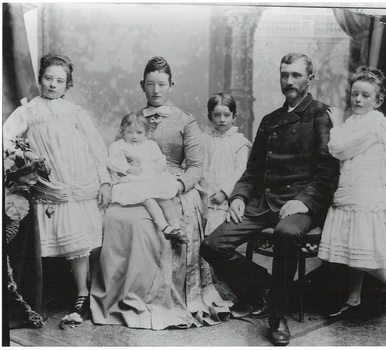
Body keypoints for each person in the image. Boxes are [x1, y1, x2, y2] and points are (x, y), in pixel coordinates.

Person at [200, 52, 339, 346]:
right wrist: (238, 197)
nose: (289, 81)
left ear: (309, 79)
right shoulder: (270, 120)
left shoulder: (320, 115)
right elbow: (252, 171)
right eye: (284, 75)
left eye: (296, 75)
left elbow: (327, 172)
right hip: (264, 201)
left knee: (286, 233)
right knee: (212, 245)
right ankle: (267, 286)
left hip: (301, 204)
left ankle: (278, 316)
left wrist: (303, 201)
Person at [90, 56, 230, 330]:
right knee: (114, 218)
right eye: (150, 84)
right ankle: (116, 297)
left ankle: (147, 296)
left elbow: (197, 166)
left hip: (173, 184)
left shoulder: (185, 121)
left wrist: (179, 186)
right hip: (135, 185)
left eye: (162, 84)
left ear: (171, 86)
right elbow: (117, 155)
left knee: (145, 227)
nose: (156, 90)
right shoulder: (133, 120)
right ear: (143, 86)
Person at [3, 54, 111, 322]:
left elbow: (96, 146)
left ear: (67, 85)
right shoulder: (28, 111)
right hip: (48, 186)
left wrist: (105, 180)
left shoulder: (75, 112)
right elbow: (6, 138)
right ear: (40, 79)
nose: (52, 85)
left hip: (77, 184)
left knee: (79, 243)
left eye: (59, 81)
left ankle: (83, 295)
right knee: (48, 245)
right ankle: (48, 295)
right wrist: (22, 157)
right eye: (48, 78)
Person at [317, 66, 386, 318]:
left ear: (378, 101)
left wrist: (335, 125)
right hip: (349, 191)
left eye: (365, 96)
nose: (357, 99)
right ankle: (354, 298)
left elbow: (338, 149)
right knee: (354, 249)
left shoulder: (374, 125)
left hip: (364, 196)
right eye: (354, 94)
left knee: (362, 254)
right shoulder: (354, 121)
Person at [108, 112, 187, 244]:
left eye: (138, 132)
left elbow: (160, 159)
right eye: (130, 132)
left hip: (150, 178)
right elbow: (112, 162)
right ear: (123, 132)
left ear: (146, 133)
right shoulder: (119, 146)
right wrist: (128, 169)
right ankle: (165, 228)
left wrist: (159, 168)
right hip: (132, 181)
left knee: (164, 199)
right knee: (148, 200)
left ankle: (176, 228)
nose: (134, 136)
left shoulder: (150, 145)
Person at [200, 92, 251, 236]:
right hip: (204, 196)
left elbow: (240, 171)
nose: (222, 120)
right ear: (210, 116)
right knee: (200, 238)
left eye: (226, 115)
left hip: (224, 200)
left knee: (216, 238)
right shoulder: (204, 139)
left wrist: (224, 192)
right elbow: (197, 164)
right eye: (217, 115)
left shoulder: (240, 143)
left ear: (234, 116)